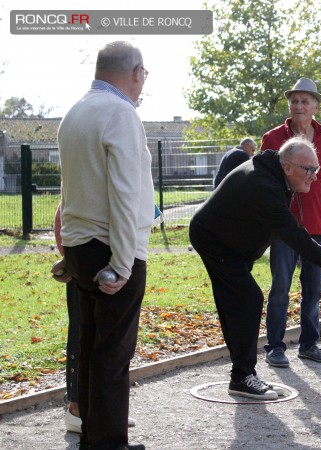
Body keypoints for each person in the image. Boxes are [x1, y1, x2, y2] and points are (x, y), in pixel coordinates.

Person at [189, 137, 321, 400]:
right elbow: (295, 235)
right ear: (287, 167)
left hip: (230, 241)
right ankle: (242, 376)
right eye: (309, 170)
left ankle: (240, 373)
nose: (314, 177)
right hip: (216, 241)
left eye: (316, 170)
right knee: (248, 299)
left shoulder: (274, 170)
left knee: (236, 303)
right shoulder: (263, 185)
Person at [54, 40, 153, 450]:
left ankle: (94, 436)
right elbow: (126, 193)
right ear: (134, 72)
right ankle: (109, 444)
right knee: (113, 355)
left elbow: (71, 187)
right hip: (112, 248)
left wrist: (68, 250)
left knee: (93, 346)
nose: (143, 83)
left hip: (81, 246)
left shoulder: (74, 113)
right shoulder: (120, 113)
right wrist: (124, 262)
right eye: (143, 75)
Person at [261, 77, 321, 368]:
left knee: (314, 288)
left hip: (320, 224)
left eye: (305, 101)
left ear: (315, 106)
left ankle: (309, 345)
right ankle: (275, 347)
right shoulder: (272, 138)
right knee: (280, 287)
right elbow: (264, 181)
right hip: (284, 227)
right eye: (294, 100)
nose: (299, 105)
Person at [53, 204, 137, 435]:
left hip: (110, 254)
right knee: (85, 336)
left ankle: (98, 413)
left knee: (102, 339)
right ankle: (78, 409)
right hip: (93, 254)